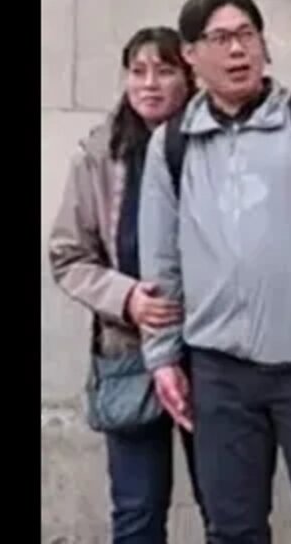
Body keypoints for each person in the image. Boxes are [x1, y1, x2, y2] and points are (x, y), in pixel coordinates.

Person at [138, 0, 291, 544]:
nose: (237, 50)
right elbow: (161, 264)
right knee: (231, 529)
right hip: (220, 373)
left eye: (247, 34)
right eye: (220, 39)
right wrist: (162, 357)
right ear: (191, 56)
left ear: (264, 46)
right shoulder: (172, 146)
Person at [48, 26, 208, 544]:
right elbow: (68, 255)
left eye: (164, 70)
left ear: (187, 77)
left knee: (228, 507)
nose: (150, 84)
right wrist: (127, 298)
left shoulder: (216, 147)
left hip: (209, 354)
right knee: (137, 513)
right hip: (127, 355)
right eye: (138, 71)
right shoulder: (98, 154)